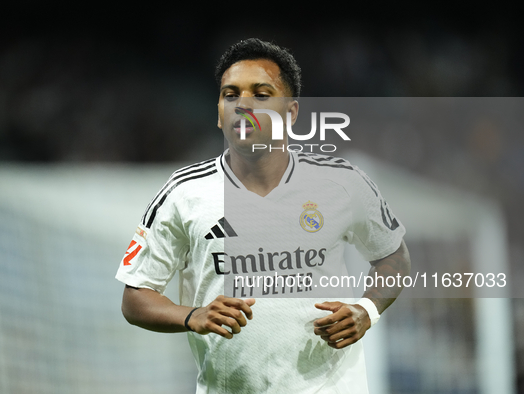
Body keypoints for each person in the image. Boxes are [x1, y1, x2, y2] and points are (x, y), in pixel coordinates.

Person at [116, 38, 411, 393]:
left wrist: (367, 310)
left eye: (261, 94)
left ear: (291, 112)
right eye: (230, 94)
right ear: (219, 112)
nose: (243, 105)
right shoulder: (184, 193)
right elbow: (136, 298)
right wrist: (193, 315)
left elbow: (393, 255)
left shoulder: (341, 183)